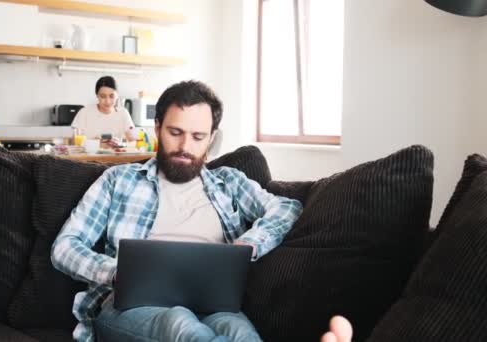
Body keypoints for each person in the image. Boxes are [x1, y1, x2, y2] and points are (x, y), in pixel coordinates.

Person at [51, 80, 303, 342]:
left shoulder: (230, 182)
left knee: (240, 333)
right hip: (131, 308)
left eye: (198, 137)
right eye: (175, 132)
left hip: (214, 307)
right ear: (157, 128)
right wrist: (115, 272)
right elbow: (65, 247)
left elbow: (286, 208)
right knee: (180, 324)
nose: (185, 146)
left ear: (211, 139)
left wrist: (250, 243)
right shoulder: (118, 180)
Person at [71, 75, 136, 146]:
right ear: (97, 95)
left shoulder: (123, 113)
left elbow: (134, 142)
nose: (107, 101)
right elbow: (74, 143)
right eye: (103, 96)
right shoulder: (84, 112)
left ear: (117, 95)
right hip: (90, 156)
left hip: (115, 156)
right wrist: (94, 143)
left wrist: (121, 144)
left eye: (112, 96)